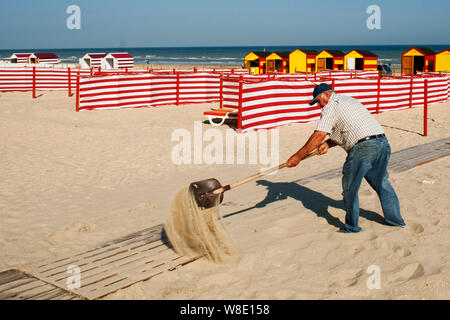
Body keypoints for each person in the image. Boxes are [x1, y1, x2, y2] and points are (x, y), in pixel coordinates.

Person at [287, 83, 405, 233]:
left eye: (318, 101)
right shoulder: (349, 100)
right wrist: (328, 144)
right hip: (382, 143)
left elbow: (318, 135)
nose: (318, 105)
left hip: (364, 148)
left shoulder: (330, 106)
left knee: (350, 188)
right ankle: (396, 221)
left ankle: (351, 227)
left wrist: (297, 157)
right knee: (382, 183)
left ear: (327, 94)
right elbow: (350, 129)